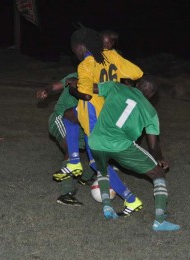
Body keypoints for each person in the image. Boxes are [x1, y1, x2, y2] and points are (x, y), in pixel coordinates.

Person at [54, 27, 144, 215]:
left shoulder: (86, 64)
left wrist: (73, 86)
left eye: (75, 51)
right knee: (70, 117)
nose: (75, 55)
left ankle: (130, 198)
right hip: (109, 113)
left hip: (94, 117)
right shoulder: (112, 57)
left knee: (97, 162)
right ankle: (75, 162)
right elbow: (137, 73)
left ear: (80, 47)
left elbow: (85, 95)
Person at [88, 75, 181, 231]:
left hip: (96, 141)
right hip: (120, 145)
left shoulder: (117, 87)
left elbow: (91, 88)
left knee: (103, 169)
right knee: (158, 174)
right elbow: (153, 144)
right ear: (152, 95)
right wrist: (160, 158)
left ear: (137, 84)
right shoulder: (150, 111)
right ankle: (159, 221)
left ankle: (107, 207)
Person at [38, 73, 142, 211]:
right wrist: (46, 90)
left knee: (99, 158)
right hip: (64, 118)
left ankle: (89, 179)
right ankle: (66, 193)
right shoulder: (82, 75)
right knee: (70, 150)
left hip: (85, 124)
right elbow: (57, 85)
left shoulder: (111, 88)